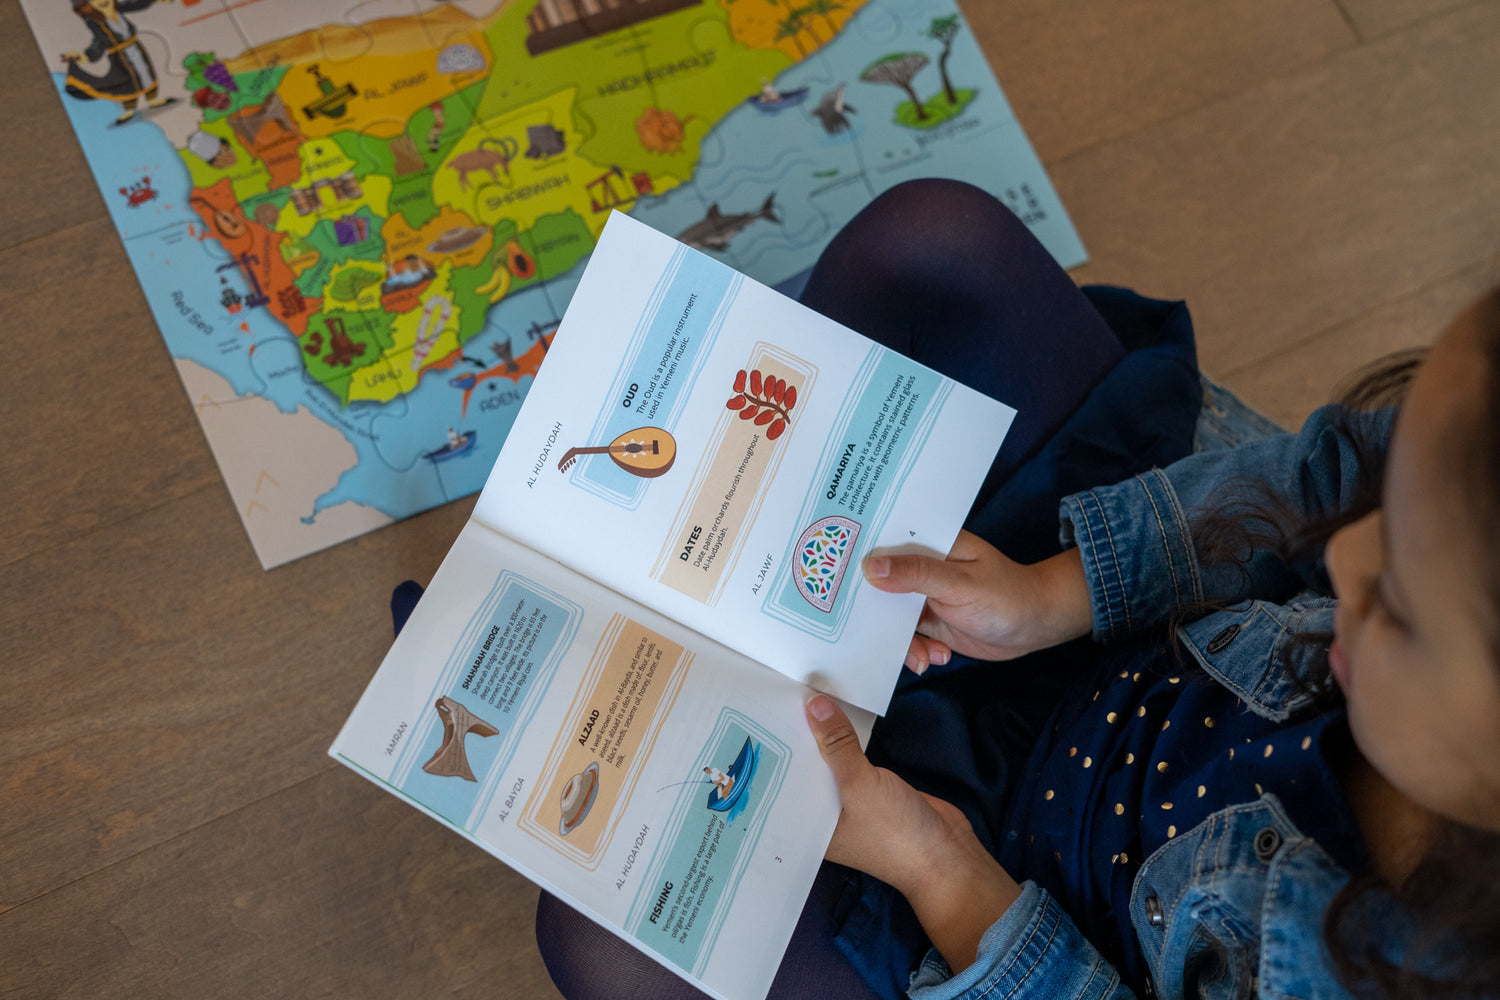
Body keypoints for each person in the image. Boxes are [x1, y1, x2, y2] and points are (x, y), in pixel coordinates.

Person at [528, 179, 1500, 998]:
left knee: (605, 935)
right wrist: (1056, 595)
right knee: (934, 240)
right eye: (1391, 496)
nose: (1347, 557)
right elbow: (1316, 485)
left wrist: (932, 866)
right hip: (1124, 627)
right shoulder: (1411, 589)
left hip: (994, 897)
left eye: (1402, 606)